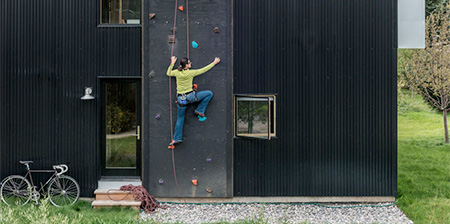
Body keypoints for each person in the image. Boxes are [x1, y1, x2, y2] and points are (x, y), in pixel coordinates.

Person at [167, 56, 221, 146]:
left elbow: (168, 73)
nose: (191, 63)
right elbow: (203, 70)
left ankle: (176, 138)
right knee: (209, 94)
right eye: (189, 63)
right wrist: (214, 62)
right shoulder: (191, 73)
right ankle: (199, 110)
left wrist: (172, 62)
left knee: (180, 118)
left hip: (181, 100)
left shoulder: (177, 72)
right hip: (191, 97)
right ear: (187, 66)